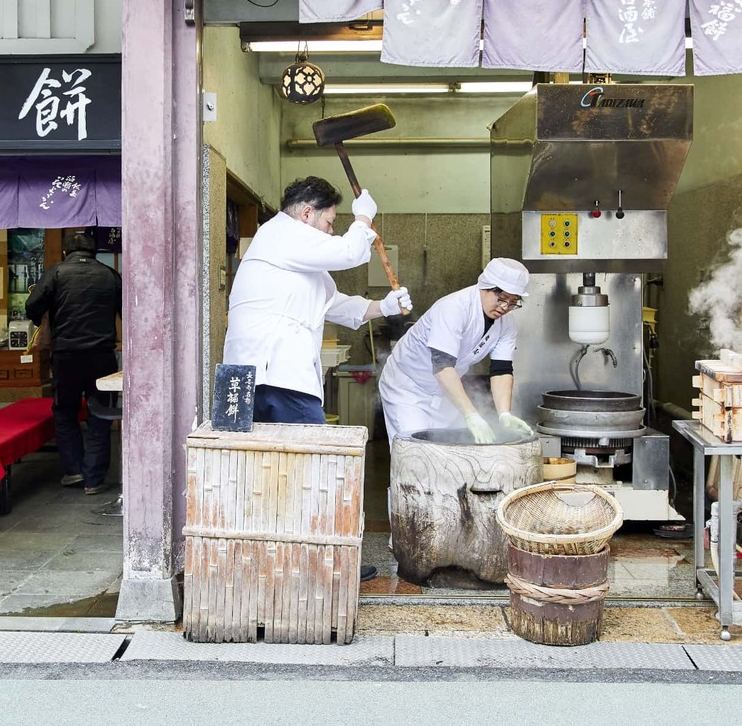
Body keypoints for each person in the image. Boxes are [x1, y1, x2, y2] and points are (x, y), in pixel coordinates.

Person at [224, 176, 411, 582]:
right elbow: (349, 250)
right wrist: (363, 218)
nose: (331, 229)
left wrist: (385, 306)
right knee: (314, 468)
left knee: (276, 472)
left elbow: (338, 304)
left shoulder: (296, 254)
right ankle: (324, 561)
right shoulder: (281, 234)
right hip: (273, 374)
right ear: (307, 213)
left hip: (262, 374)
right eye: (329, 221)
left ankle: (289, 558)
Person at [379, 257, 534, 444]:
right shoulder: (454, 308)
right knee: (416, 453)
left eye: (513, 302)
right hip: (407, 387)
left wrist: (504, 414)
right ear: (484, 286)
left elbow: (501, 370)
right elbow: (442, 367)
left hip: (444, 391)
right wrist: (472, 415)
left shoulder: (506, 324)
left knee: (451, 452)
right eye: (501, 299)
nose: (505, 307)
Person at [25, 231, 122, 496]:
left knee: (65, 410)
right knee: (100, 413)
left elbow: (32, 306)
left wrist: (45, 320)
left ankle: (73, 470)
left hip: (66, 354)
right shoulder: (109, 275)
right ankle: (94, 478)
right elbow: (128, 311)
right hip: (102, 355)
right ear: (94, 252)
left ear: (66, 253)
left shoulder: (57, 273)